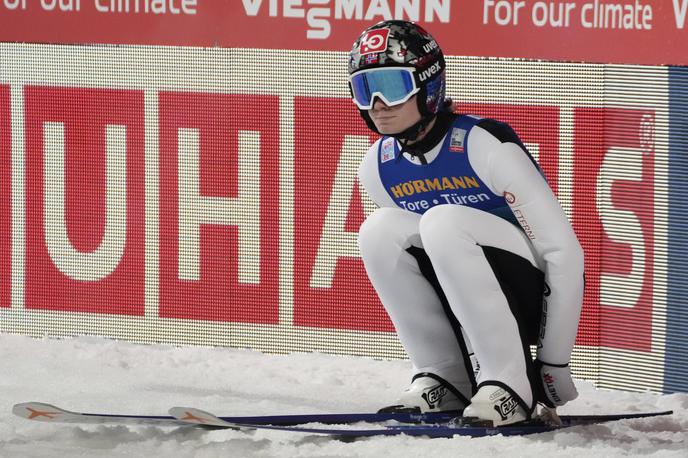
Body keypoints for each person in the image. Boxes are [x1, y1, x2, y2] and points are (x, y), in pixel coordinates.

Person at [349, 20, 585, 426]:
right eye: (365, 89)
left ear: (428, 84)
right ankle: (445, 377)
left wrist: (553, 362)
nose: (379, 104)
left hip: (531, 301)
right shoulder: (378, 166)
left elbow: (563, 253)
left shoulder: (483, 143)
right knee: (378, 230)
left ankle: (510, 383)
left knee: (442, 221)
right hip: (467, 300)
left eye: (392, 85)